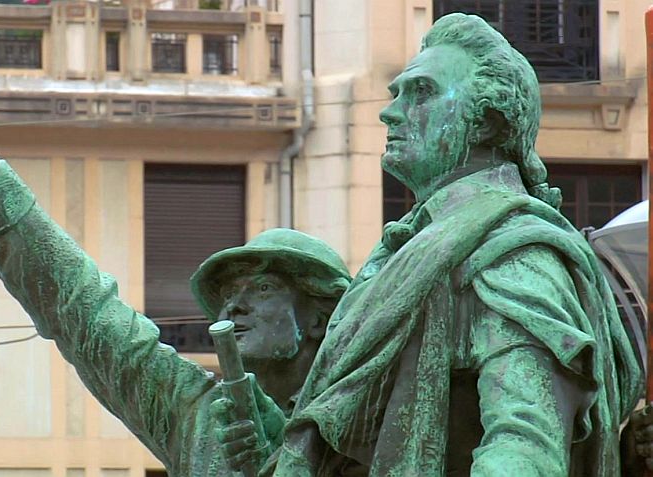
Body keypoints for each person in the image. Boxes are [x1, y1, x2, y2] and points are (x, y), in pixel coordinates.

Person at [0, 74, 351, 475]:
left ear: (318, 317)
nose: (235, 306)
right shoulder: (198, 413)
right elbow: (80, 307)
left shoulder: (367, 418)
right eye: (229, 294)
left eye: (264, 288)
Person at [270, 13, 643, 477]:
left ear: (487, 121)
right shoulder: (416, 244)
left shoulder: (510, 248)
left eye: (421, 92)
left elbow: (527, 440)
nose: (390, 111)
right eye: (396, 93)